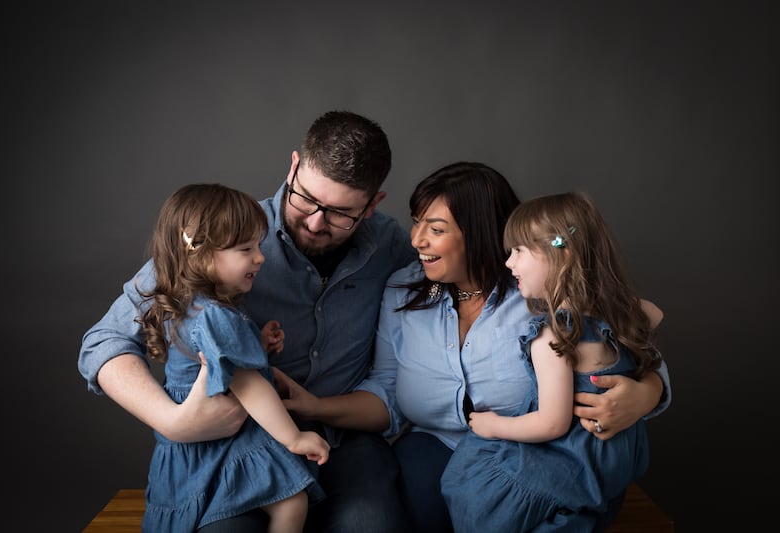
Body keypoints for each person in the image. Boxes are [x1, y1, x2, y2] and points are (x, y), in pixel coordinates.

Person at [271, 161, 671, 532]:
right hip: (437, 447)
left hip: (541, 458)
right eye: (416, 223)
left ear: (480, 233)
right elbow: (388, 388)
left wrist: (649, 391)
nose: (416, 240)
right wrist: (315, 406)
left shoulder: (539, 290)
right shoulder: (401, 292)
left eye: (437, 228)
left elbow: (619, 343)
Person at [79, 111, 415, 532]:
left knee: (372, 525)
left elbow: (413, 357)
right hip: (235, 446)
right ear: (293, 166)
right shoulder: (219, 236)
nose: (315, 222)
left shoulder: (394, 247)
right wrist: (173, 422)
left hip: (343, 442)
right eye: (305, 199)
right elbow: (104, 341)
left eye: (340, 213)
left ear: (373, 205)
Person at [440, 191, 664, 532]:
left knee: (469, 484)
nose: (508, 263)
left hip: (569, 463)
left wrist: (493, 425)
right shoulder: (626, 315)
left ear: (562, 254)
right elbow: (655, 313)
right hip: (611, 463)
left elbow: (552, 424)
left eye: (518, 251)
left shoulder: (553, 339)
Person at [132, 183, 329, 532]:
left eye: (258, 245)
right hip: (219, 435)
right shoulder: (214, 315)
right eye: (246, 249)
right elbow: (248, 383)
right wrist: (293, 438)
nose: (260, 257)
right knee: (292, 501)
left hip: (207, 437)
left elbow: (217, 359)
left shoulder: (191, 302)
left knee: (287, 501)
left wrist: (257, 344)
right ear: (202, 255)